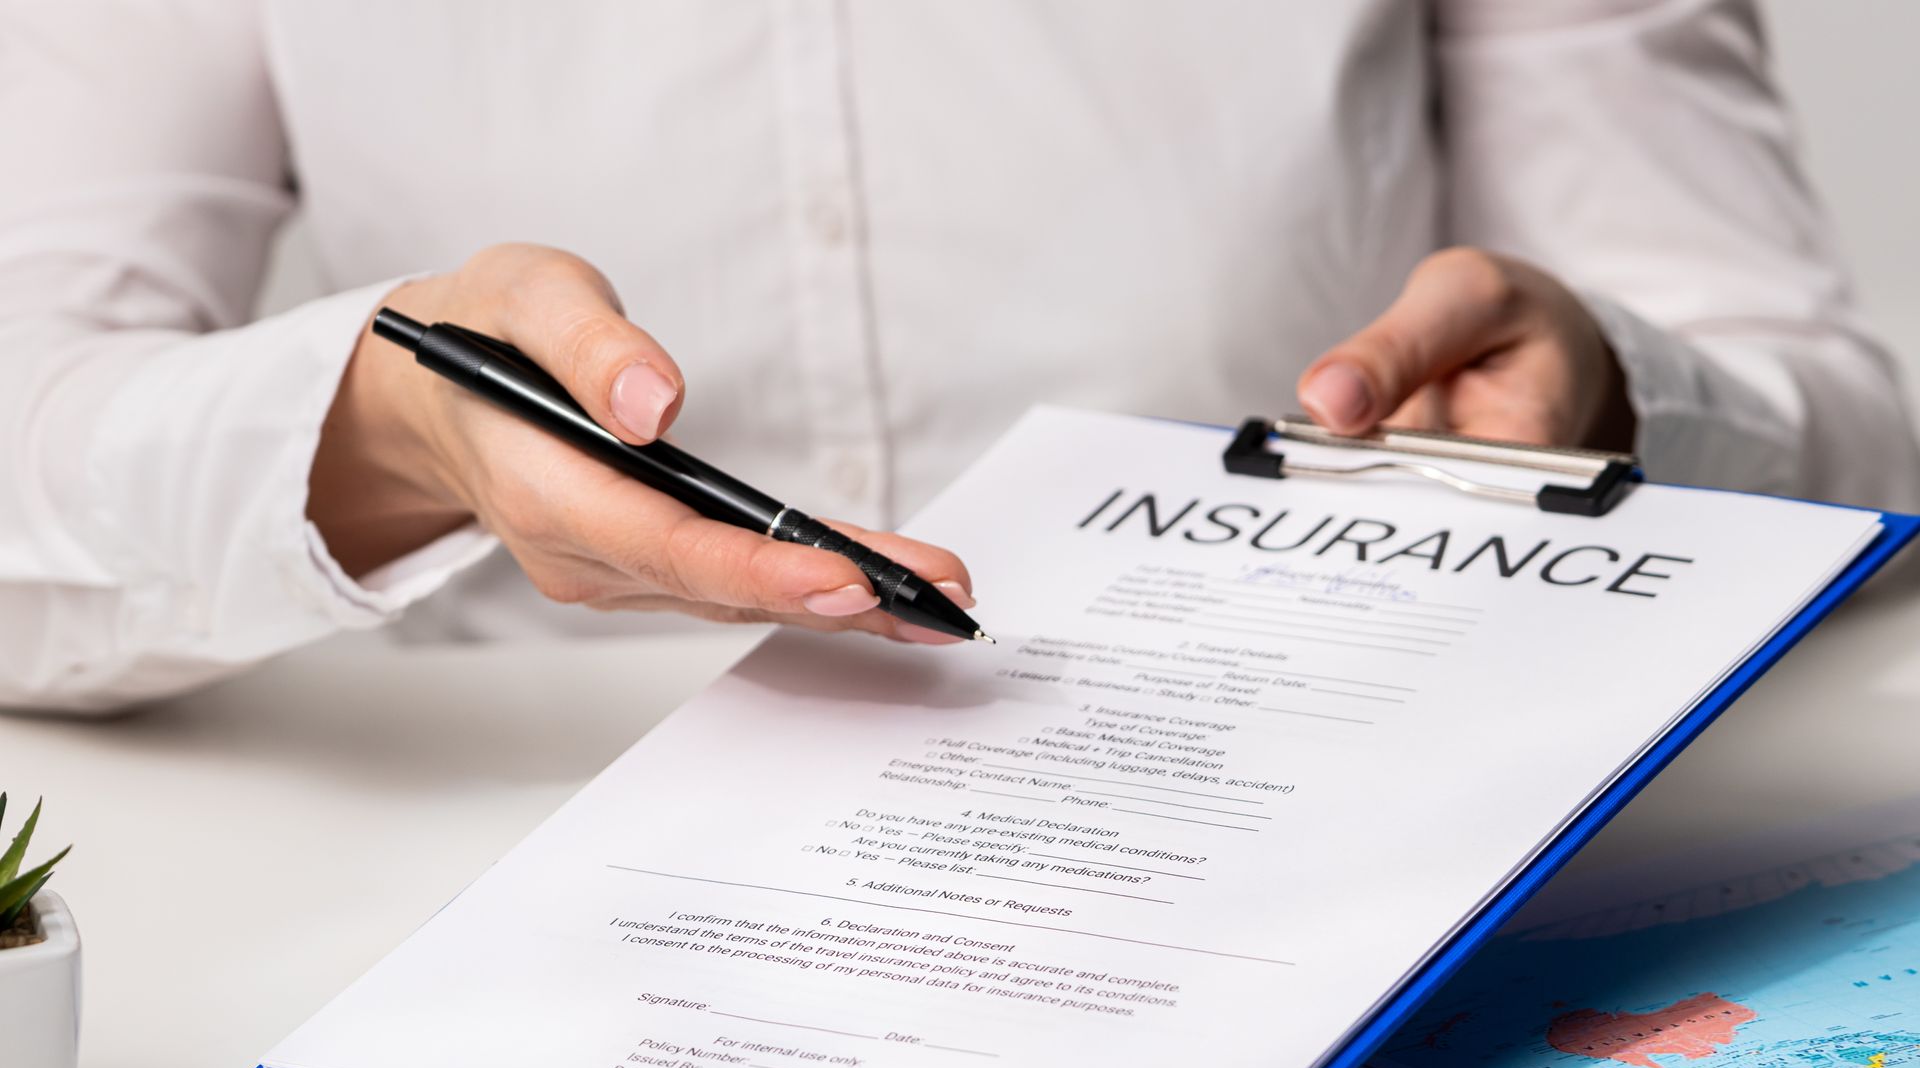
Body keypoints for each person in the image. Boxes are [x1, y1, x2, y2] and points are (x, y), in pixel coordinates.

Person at [2, 1, 1915, 713]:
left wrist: (1625, 409)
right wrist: (385, 427)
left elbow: (1851, 438)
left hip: (1287, 827)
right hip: (488, 863)